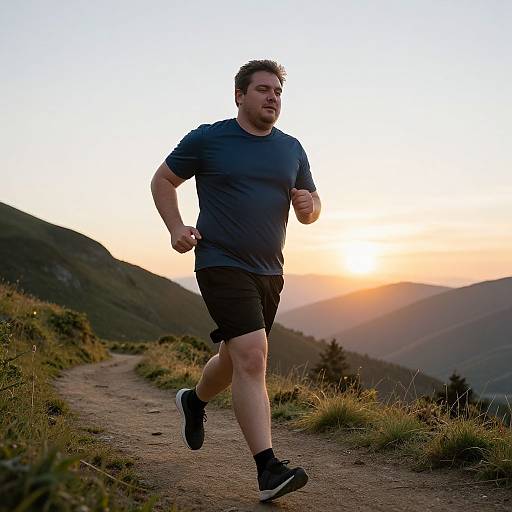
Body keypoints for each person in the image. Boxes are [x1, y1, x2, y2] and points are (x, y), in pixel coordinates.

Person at [150, 59, 321, 502]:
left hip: (270, 270)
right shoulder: (209, 138)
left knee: (233, 357)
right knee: (252, 355)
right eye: (263, 89)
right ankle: (268, 469)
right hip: (219, 261)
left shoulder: (292, 148)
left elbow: (312, 205)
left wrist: (309, 206)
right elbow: (164, 180)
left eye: (278, 92)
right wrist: (175, 227)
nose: (272, 98)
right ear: (240, 96)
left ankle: (194, 401)